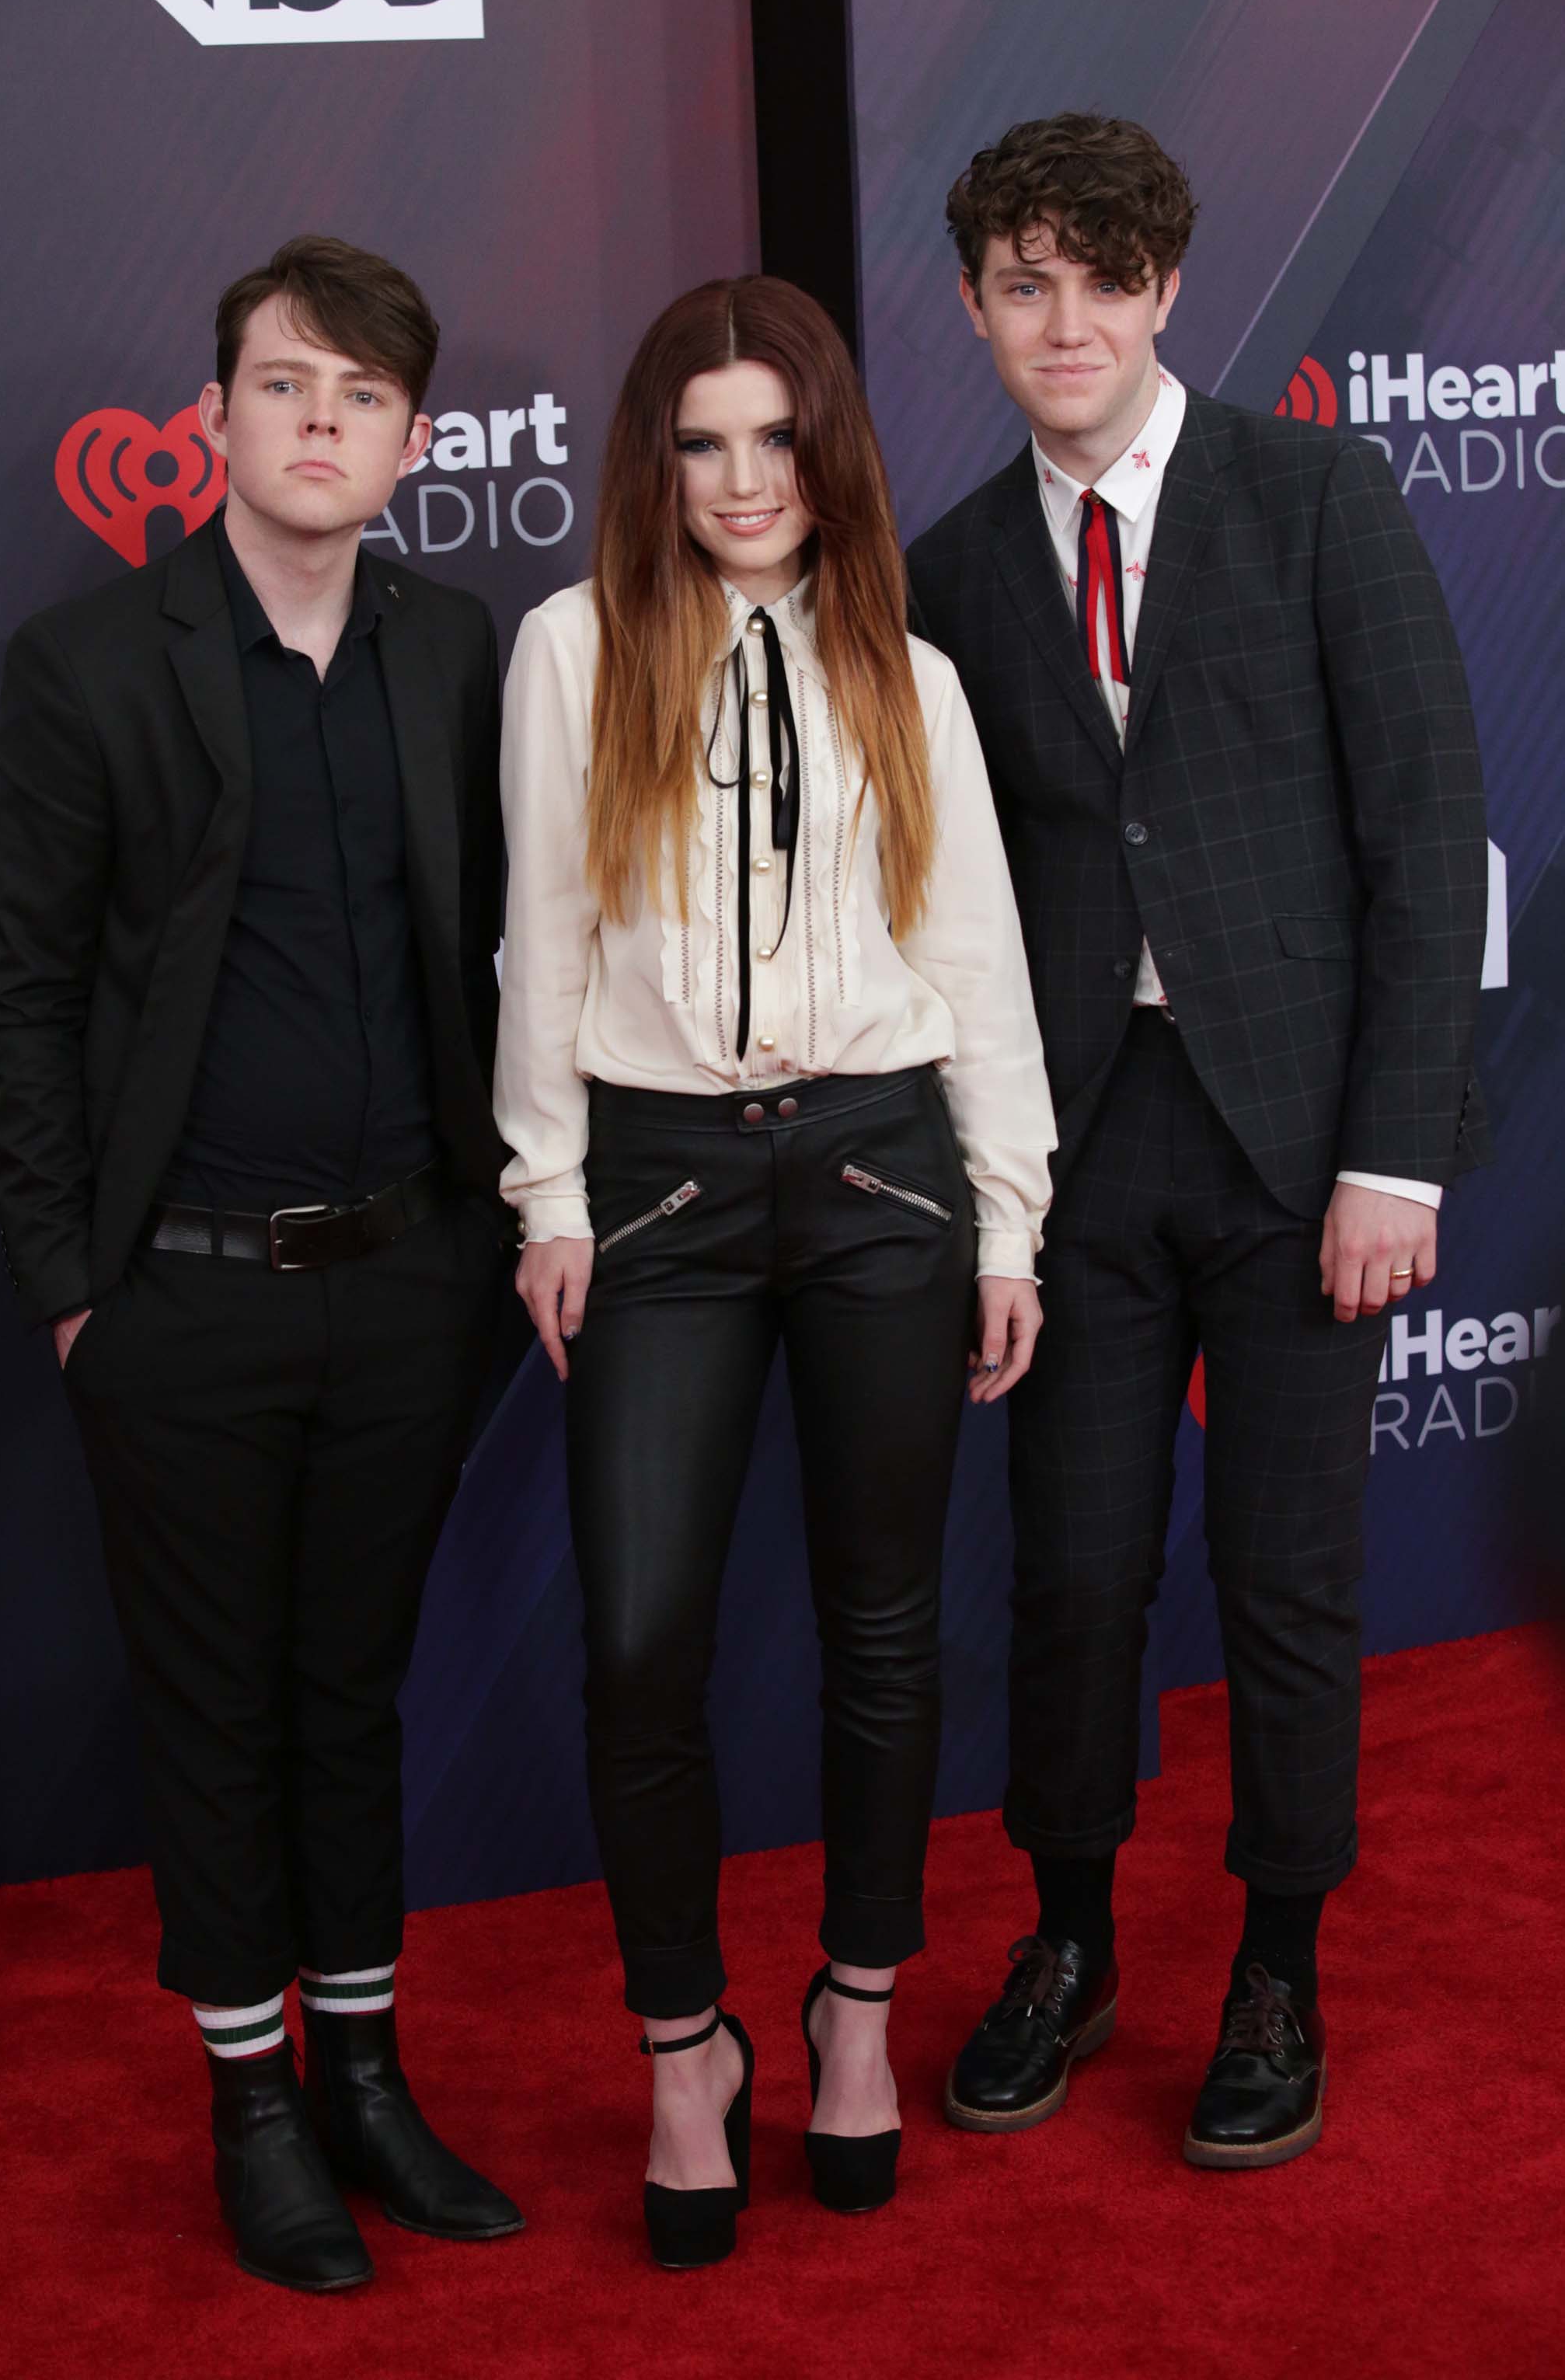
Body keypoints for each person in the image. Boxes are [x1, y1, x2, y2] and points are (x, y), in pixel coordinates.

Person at [908, 114, 1489, 2168]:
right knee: (1067, 1580)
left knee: (1286, 1584)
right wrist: (983, 1190)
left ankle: (1275, 1973)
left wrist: (1390, 1162)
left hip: (1298, 1153)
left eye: (1097, 279)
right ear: (975, 306)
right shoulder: (955, 568)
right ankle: (1064, 1943)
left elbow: (1428, 838)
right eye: (1019, 284)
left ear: (1163, 288)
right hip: (1073, 1166)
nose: (1061, 321)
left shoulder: (1312, 493)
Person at [0, 235, 524, 2288]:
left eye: (363, 396)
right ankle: (251, 2098)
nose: (320, 422)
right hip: (177, 1299)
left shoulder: (456, 648)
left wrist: (498, 1236)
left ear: (411, 441)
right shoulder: (94, 664)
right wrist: (71, 1283)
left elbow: (512, 955)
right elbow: (20, 996)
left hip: (407, 1284)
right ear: (213, 417)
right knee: (213, 1715)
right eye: (286, 383)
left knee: (347, 1697)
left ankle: (367, 2073)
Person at [495, 274, 1054, 2266]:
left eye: (774, 436)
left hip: (886, 1175)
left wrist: (1006, 1214)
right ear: (659, 458)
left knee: (882, 1627)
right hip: (656, 1188)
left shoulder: (910, 669)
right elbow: (542, 945)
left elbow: (975, 955)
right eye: (701, 439)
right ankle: (679, 2052)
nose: (742, 479)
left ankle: (853, 2016)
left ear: (827, 451)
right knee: (638, 1636)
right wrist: (546, 1194)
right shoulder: (571, 653)